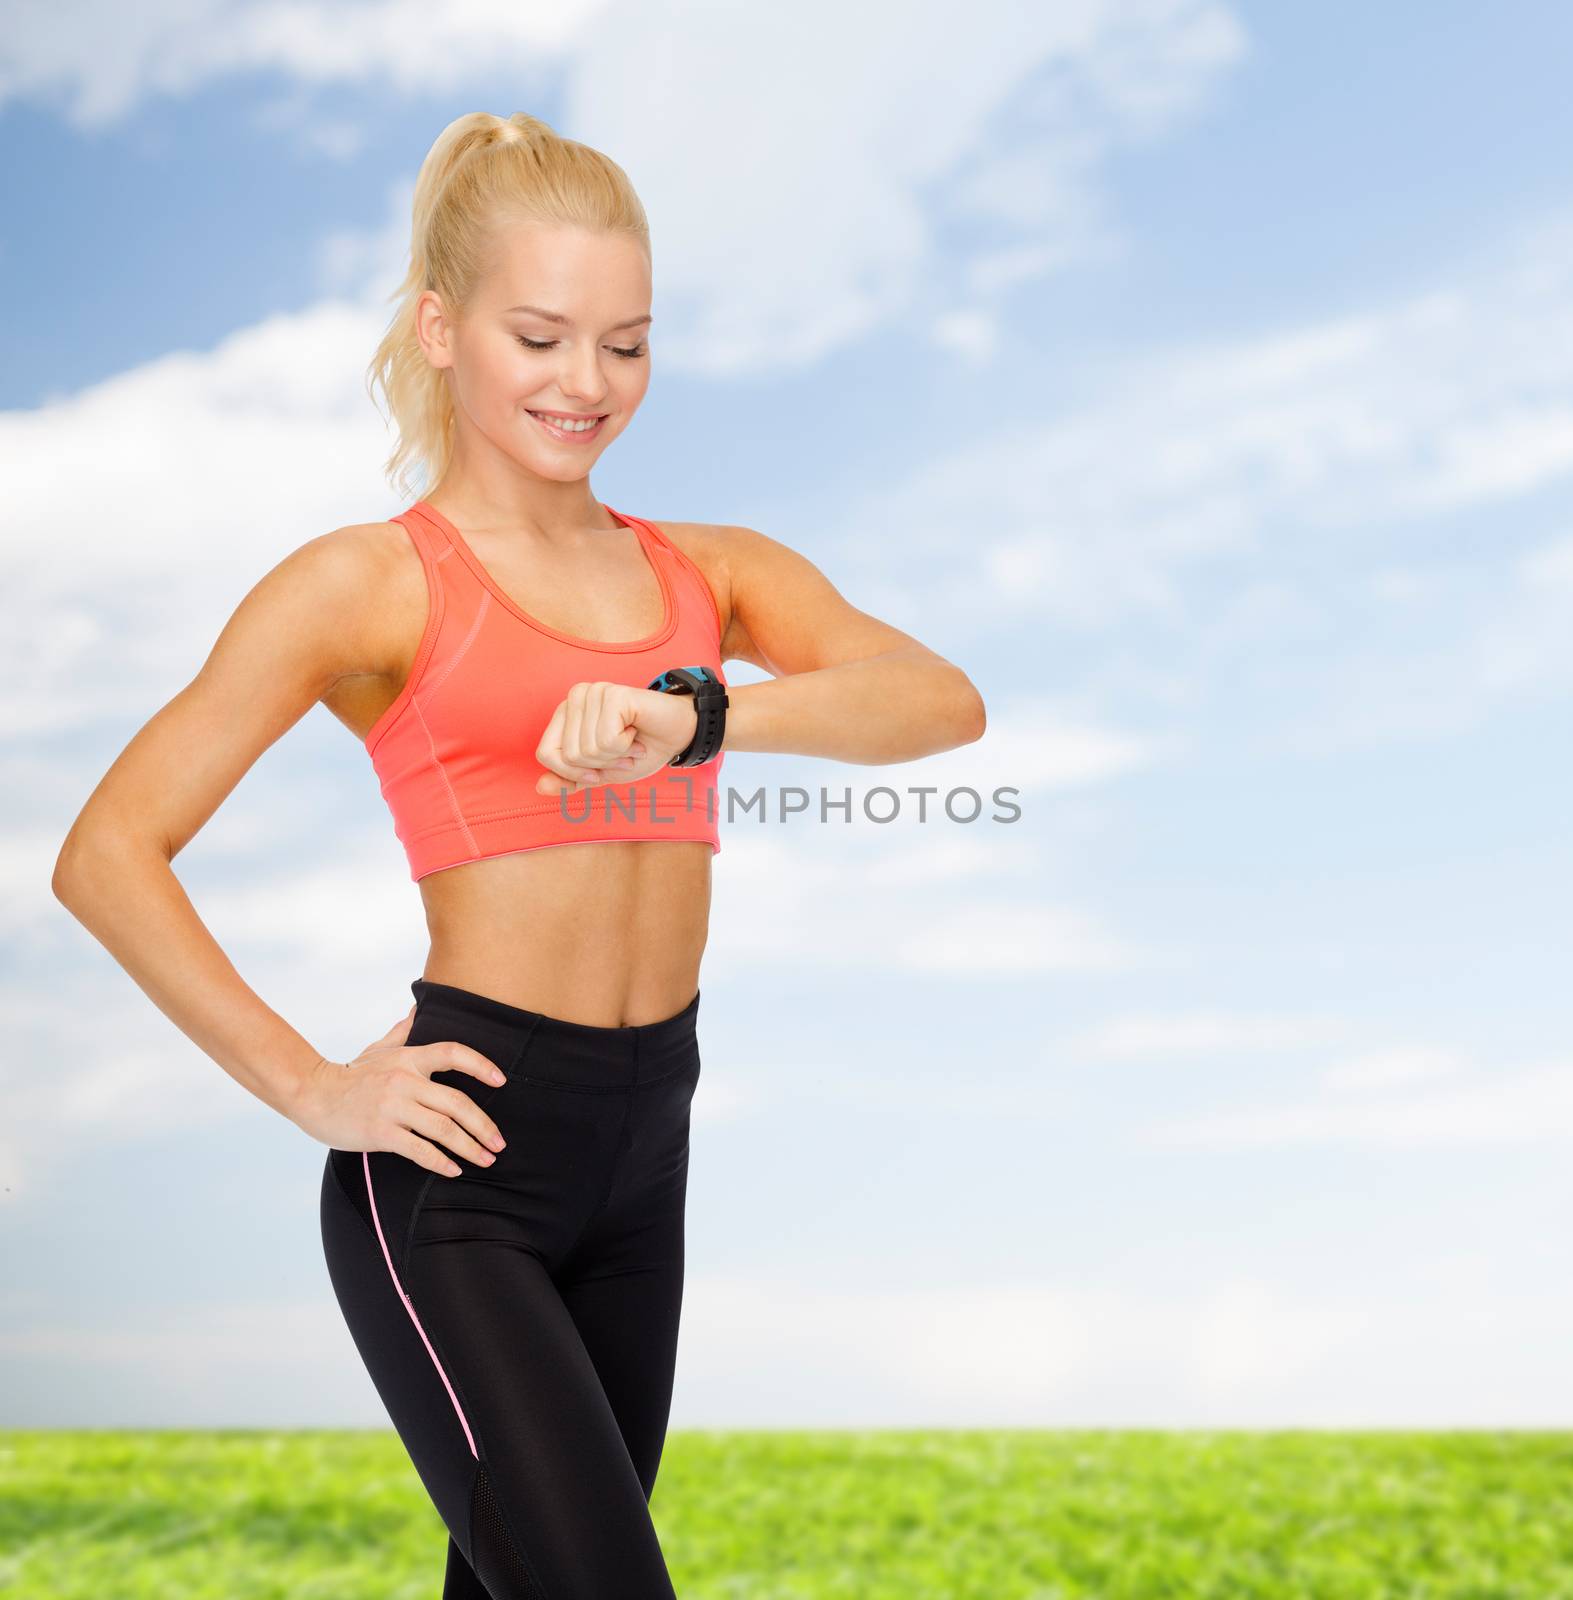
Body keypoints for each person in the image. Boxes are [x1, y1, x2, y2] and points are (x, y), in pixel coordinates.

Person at [52, 109, 987, 1599]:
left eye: (626, 343)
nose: (587, 384)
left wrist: (698, 717)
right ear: (441, 326)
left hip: (646, 1141)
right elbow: (107, 851)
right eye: (541, 336)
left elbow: (937, 703)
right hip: (463, 1158)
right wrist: (312, 1086)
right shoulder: (363, 584)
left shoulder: (710, 573)